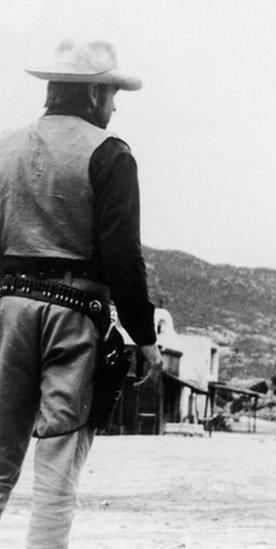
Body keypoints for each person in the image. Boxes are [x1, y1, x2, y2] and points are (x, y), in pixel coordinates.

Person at [0, 39, 162, 548]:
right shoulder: (110, 155)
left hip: (6, 313)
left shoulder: (5, 147)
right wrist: (144, 336)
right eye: (112, 94)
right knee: (57, 469)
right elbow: (122, 258)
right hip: (74, 319)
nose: (114, 106)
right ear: (94, 92)